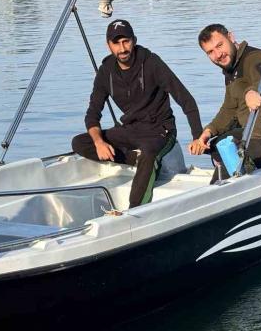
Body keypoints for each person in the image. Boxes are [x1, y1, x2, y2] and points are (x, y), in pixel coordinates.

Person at [71, 19, 203, 209]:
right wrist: (99, 143)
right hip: (131, 129)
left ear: (134, 40)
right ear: (108, 45)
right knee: (80, 142)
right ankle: (133, 159)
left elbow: (186, 99)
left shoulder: (151, 62)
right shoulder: (106, 71)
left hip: (160, 129)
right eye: (116, 43)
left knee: (149, 153)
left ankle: (135, 210)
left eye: (126, 41)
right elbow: (92, 114)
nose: (122, 48)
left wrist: (197, 136)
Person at [188, 24, 261, 181]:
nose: (218, 54)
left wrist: (253, 92)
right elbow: (229, 109)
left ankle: (222, 194)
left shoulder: (255, 58)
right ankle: (245, 176)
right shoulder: (231, 69)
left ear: (231, 37)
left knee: (231, 156)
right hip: (258, 134)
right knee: (215, 145)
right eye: (210, 52)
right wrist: (207, 133)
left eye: (220, 45)